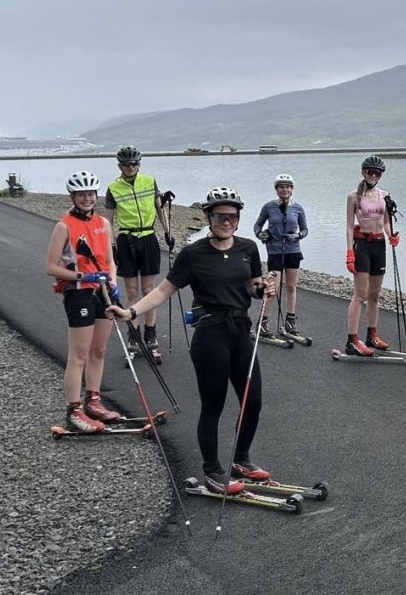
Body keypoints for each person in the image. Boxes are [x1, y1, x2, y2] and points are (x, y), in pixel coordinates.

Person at [107, 186, 276, 495]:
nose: (227, 221)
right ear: (208, 217)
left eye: (233, 216)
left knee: (253, 401)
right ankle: (212, 471)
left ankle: (241, 459)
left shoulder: (249, 248)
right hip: (210, 336)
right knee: (214, 405)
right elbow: (163, 291)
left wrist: (263, 289)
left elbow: (253, 286)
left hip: (241, 332)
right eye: (220, 216)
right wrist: (130, 312)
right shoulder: (193, 254)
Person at [45, 171, 121, 433]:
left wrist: (113, 282)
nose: (87, 198)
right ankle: (74, 410)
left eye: (91, 194)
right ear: (73, 197)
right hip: (78, 293)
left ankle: (94, 401)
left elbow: (110, 261)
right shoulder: (64, 226)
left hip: (102, 292)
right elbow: (51, 267)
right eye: (81, 194)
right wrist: (83, 276)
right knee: (79, 354)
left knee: (99, 350)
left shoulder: (103, 223)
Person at [102, 146, 173, 355]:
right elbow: (108, 220)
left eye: (134, 163)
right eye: (126, 164)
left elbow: (160, 208)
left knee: (149, 290)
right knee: (132, 290)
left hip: (148, 237)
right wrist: (111, 245)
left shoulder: (149, 181)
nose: (130, 167)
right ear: (120, 166)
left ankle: (151, 333)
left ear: (139, 164)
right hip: (127, 240)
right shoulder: (113, 188)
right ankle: (133, 334)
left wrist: (168, 232)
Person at [344, 155, 398, 356]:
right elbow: (350, 227)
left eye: (378, 173)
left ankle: (372, 335)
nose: (374, 176)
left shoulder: (385, 195)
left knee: (374, 295)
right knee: (360, 295)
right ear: (363, 173)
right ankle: (352, 340)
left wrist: (391, 236)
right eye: (370, 172)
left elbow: (386, 222)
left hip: (379, 244)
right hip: (362, 245)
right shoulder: (353, 197)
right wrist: (349, 252)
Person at [253, 173, 309, 338]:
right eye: (281, 187)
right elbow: (257, 225)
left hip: (293, 251)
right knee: (273, 288)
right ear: (276, 189)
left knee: (291, 287)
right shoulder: (269, 207)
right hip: (275, 251)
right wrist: (260, 235)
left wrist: (298, 236)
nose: (285, 190)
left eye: (288, 187)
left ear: (292, 189)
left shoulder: (298, 208)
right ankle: (262, 323)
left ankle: (290, 322)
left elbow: (305, 229)